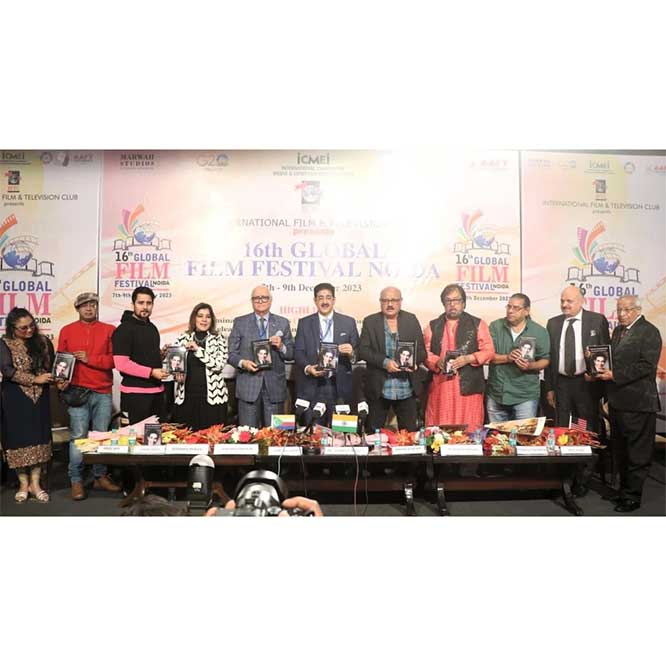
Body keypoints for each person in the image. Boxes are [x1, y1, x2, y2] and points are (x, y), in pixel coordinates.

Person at [596, 296, 662, 512]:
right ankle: (623, 491)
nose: (622, 314)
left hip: (639, 403)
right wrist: (596, 359)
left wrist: (615, 375)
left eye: (627, 310)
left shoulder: (649, 331)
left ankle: (632, 497)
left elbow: (646, 366)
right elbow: (613, 358)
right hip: (618, 402)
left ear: (638, 310)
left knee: (637, 453)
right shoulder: (618, 331)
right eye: (619, 310)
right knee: (621, 450)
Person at [58, 292, 121, 500]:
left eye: (92, 304)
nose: (89, 308)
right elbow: (61, 361)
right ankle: (76, 480)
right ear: (77, 308)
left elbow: (115, 360)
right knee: (79, 437)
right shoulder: (67, 330)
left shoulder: (109, 330)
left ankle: (99, 476)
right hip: (76, 391)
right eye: (84, 305)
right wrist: (61, 379)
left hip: (102, 391)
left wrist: (89, 358)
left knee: (101, 436)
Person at [0, 308, 55, 503]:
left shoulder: (43, 342)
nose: (29, 330)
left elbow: (52, 366)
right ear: (12, 328)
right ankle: (23, 484)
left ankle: (36, 484)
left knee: (39, 437)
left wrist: (57, 377)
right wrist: (34, 379)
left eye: (31, 325)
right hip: (15, 397)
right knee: (18, 439)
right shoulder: (4, 343)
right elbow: (7, 370)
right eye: (23, 328)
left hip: (40, 397)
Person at [424, 284, 495, 429]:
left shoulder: (478, 324)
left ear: (463, 303)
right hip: (441, 386)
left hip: (469, 386)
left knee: (470, 428)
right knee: (440, 430)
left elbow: (489, 351)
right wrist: (437, 362)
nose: (452, 304)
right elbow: (424, 352)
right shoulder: (432, 326)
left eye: (456, 300)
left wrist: (468, 358)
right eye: (448, 300)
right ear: (443, 303)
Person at [358, 286, 426, 432]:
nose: (390, 304)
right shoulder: (370, 321)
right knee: (373, 436)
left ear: (400, 301)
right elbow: (363, 350)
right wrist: (385, 362)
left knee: (409, 436)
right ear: (380, 302)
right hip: (379, 389)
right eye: (385, 300)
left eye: (394, 300)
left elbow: (422, 352)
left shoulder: (411, 320)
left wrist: (414, 363)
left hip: (406, 388)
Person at [544, 285, 610, 432]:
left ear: (581, 301)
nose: (564, 304)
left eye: (569, 301)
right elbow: (549, 358)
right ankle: (566, 447)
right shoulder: (553, 323)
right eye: (562, 301)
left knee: (583, 426)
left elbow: (605, 352)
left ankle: (583, 446)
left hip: (586, 383)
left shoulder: (597, 320)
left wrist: (597, 376)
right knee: (562, 426)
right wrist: (549, 388)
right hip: (561, 384)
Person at [228, 285, 294, 427]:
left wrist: (281, 346)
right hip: (248, 387)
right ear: (252, 301)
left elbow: (291, 354)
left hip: (275, 388)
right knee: (246, 435)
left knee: (277, 434)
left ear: (270, 300)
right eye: (256, 298)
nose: (260, 300)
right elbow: (231, 354)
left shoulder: (283, 323)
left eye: (264, 297)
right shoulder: (240, 322)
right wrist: (243, 363)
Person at [294, 282, 359, 426]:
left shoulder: (348, 322)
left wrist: (351, 352)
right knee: (314, 431)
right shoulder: (304, 323)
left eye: (328, 297)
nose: (325, 301)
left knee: (342, 432)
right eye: (320, 298)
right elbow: (298, 352)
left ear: (334, 300)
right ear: (315, 300)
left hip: (340, 386)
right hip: (313, 385)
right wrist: (308, 368)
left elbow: (358, 352)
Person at [486, 293, 550, 422]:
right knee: (497, 434)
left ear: (526, 311)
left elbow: (545, 360)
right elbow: (487, 356)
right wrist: (507, 358)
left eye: (516, 308)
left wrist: (530, 366)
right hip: (497, 393)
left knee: (524, 434)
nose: (510, 311)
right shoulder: (495, 326)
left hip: (525, 396)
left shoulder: (539, 331)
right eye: (509, 307)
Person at [112, 286, 168, 425]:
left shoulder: (152, 327)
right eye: (141, 303)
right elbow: (121, 364)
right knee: (134, 436)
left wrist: (160, 355)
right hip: (134, 395)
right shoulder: (123, 330)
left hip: (157, 392)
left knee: (157, 435)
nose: (145, 307)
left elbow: (144, 355)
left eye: (149, 303)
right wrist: (151, 372)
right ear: (133, 304)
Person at [172, 302, 229, 430]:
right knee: (186, 437)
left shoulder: (219, 339)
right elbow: (175, 365)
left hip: (212, 399)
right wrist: (176, 375)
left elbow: (219, 365)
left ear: (212, 320)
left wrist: (198, 350)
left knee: (211, 438)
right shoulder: (183, 338)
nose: (204, 319)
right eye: (200, 316)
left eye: (208, 316)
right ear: (194, 318)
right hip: (186, 397)